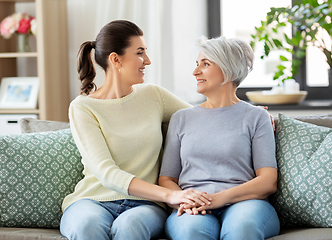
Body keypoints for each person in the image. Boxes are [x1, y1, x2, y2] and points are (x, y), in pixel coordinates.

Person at [59, 20, 212, 240]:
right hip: (93, 200)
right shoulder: (83, 108)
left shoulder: (153, 96)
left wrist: (252, 115)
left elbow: (206, 118)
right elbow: (107, 173)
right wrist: (171, 195)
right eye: (140, 53)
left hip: (145, 205)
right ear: (115, 59)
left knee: (130, 226)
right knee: (86, 226)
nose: (147, 61)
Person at [159, 36, 280, 240]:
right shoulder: (181, 119)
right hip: (192, 205)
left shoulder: (256, 117)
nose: (195, 72)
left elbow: (268, 181)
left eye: (205, 64)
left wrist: (216, 199)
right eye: (197, 64)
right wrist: (184, 198)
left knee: (242, 229)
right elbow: (167, 179)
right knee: (191, 232)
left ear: (229, 70)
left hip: (246, 204)